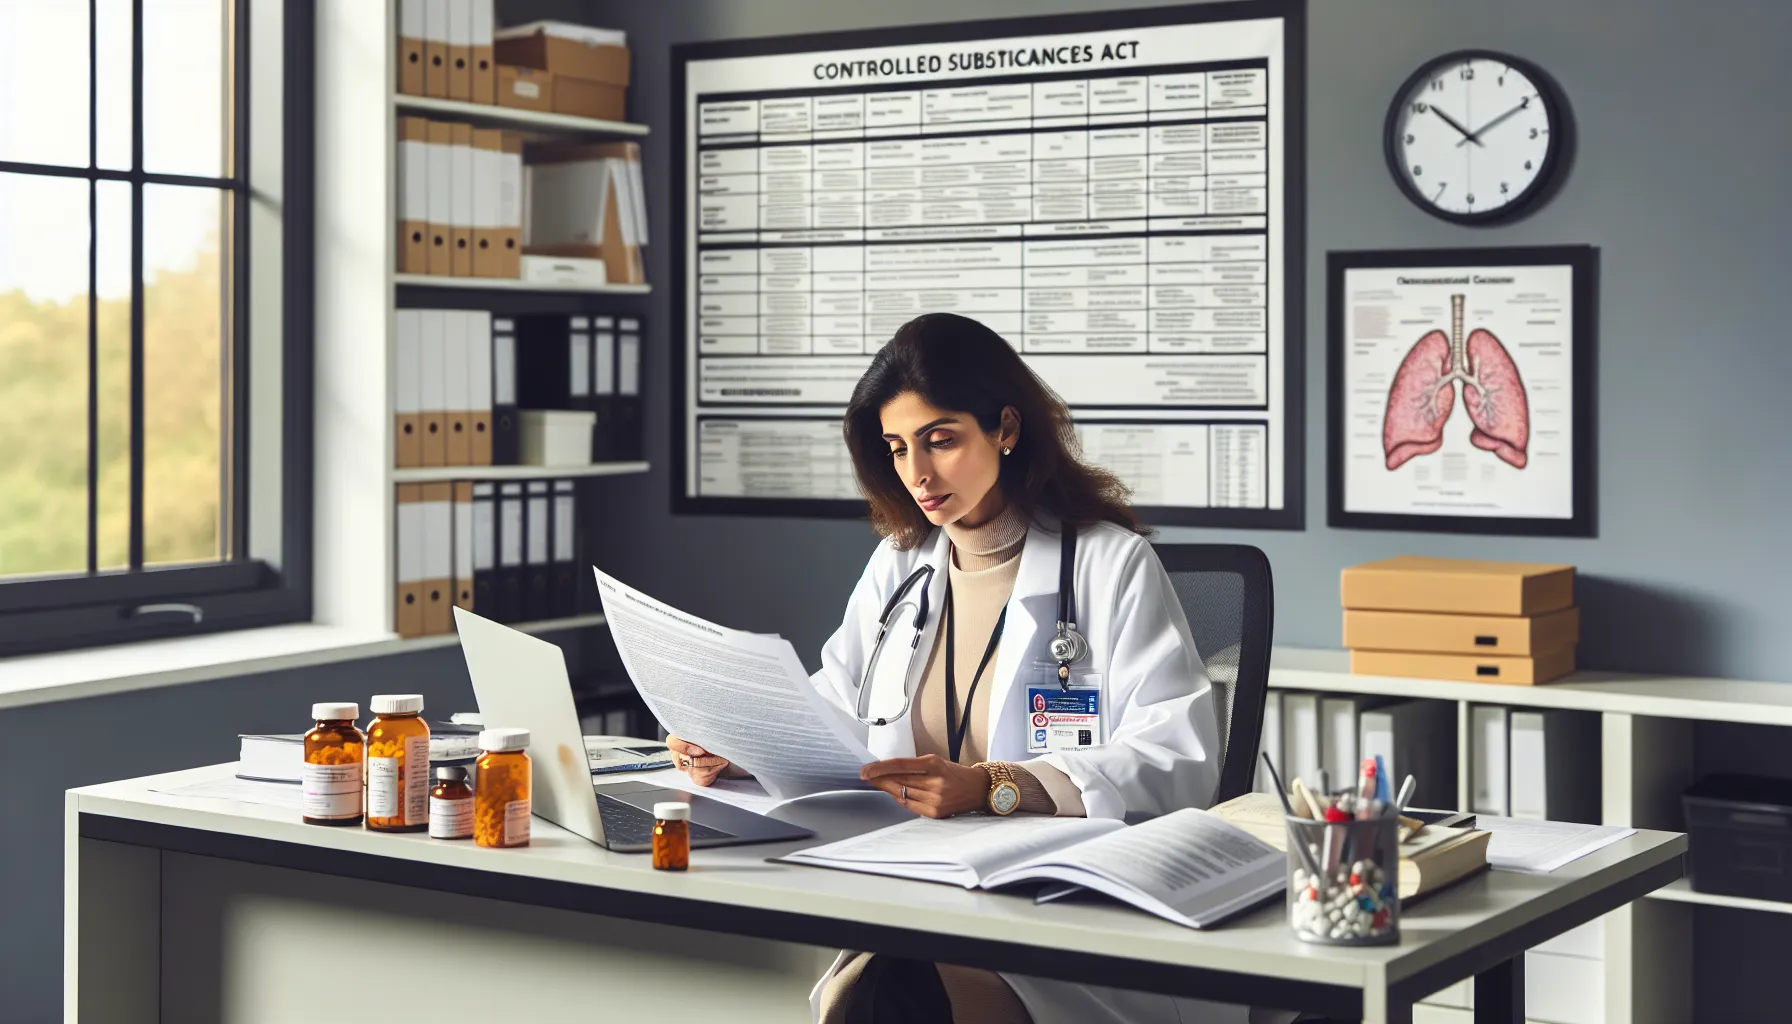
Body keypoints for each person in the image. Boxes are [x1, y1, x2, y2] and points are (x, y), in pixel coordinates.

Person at [666, 313, 1259, 1024]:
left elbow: (1178, 760)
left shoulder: (1109, 564)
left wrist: (993, 787)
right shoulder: (899, 564)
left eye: (940, 440)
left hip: (1062, 903)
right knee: (887, 989)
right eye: (897, 448)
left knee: (897, 997)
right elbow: (833, 704)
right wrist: (737, 744)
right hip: (917, 883)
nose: (917, 473)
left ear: (1005, 428)